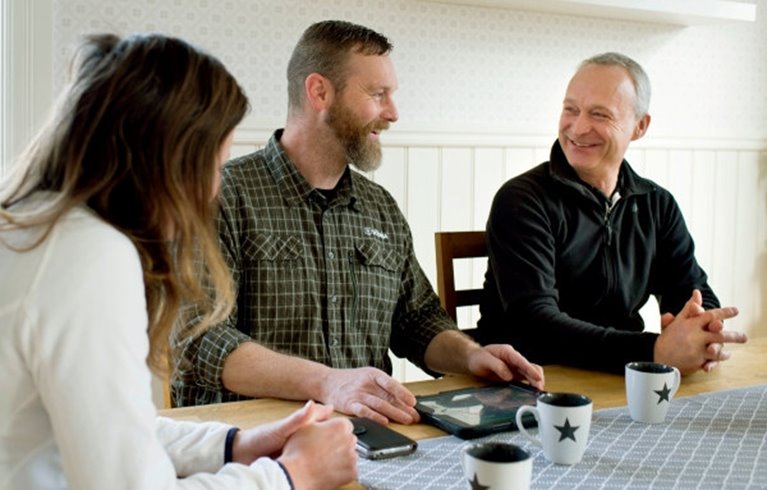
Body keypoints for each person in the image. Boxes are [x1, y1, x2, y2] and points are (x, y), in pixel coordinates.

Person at [0, 33, 357, 489]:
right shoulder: (90, 260)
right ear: (168, 162)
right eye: (213, 165)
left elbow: (117, 428)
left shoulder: (39, 231)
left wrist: (233, 445)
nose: (212, 188)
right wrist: (291, 475)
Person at [171, 20, 545, 422]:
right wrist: (328, 383)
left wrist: (472, 356)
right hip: (248, 442)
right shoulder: (221, 195)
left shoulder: (380, 207)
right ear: (320, 92)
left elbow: (416, 319)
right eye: (377, 94)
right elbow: (199, 338)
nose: (393, 113)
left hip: (369, 434)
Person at [476, 52, 747, 375]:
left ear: (639, 126)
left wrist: (703, 334)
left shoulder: (657, 204)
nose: (578, 127)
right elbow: (536, 324)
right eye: (570, 110)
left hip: (623, 379)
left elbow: (692, 293)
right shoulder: (521, 199)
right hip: (528, 384)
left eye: (599, 115)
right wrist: (655, 350)